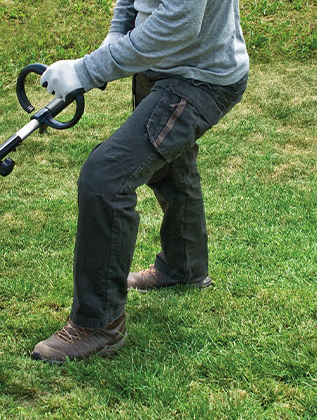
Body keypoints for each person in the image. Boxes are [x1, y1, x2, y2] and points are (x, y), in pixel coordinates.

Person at [31, 0, 250, 363]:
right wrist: (114, 37)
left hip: (199, 77)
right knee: (168, 165)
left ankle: (99, 324)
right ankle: (184, 267)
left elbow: (176, 27)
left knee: (106, 177)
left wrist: (87, 70)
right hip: (161, 67)